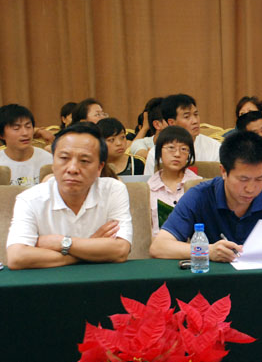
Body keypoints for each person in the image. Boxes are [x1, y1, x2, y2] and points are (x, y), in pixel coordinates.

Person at [149, 131, 262, 262]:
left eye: (259, 179)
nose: (251, 189)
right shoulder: (200, 196)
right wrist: (206, 251)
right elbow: (159, 247)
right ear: (223, 171)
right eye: (243, 179)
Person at [5, 122, 133, 270]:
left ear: (99, 168)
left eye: (84, 161)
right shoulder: (29, 199)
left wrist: (61, 242)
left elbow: (120, 250)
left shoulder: (113, 190)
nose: (72, 169)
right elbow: (17, 257)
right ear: (53, 162)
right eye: (64, 158)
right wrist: (90, 250)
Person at [144, 94, 221, 175]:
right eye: (187, 117)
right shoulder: (155, 153)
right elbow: (148, 182)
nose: (195, 121)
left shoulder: (214, 147)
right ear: (172, 123)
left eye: (196, 114)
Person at [148, 126, 200, 236]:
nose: (177, 154)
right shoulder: (148, 188)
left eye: (184, 149)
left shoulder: (199, 185)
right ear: (159, 151)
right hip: (158, 244)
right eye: (171, 148)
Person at [0, 104, 53, 185]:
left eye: (28, 127)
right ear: (1, 134)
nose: (25, 133)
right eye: (16, 128)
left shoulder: (48, 160)